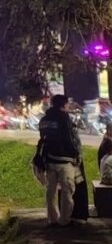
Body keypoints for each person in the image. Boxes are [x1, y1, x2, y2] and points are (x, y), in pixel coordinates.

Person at [39, 94, 82, 226]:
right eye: (67, 104)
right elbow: (69, 138)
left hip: (50, 159)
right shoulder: (64, 118)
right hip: (65, 160)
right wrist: (76, 153)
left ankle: (52, 218)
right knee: (67, 190)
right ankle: (64, 220)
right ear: (63, 105)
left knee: (50, 190)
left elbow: (42, 136)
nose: (68, 106)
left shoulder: (45, 118)